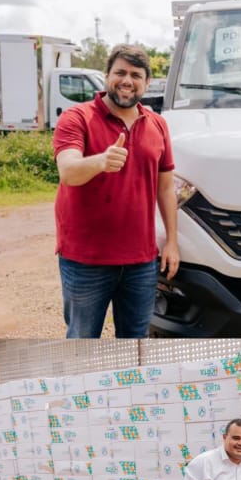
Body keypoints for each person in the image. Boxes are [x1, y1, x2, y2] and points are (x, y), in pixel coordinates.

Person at [53, 43, 179, 338]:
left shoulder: (158, 125)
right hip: (86, 260)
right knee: (82, 339)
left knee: (136, 341)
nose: (127, 80)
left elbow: (166, 188)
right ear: (106, 76)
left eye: (136, 75)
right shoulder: (77, 118)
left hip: (141, 262)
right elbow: (68, 172)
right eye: (120, 72)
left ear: (147, 83)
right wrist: (100, 161)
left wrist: (172, 242)